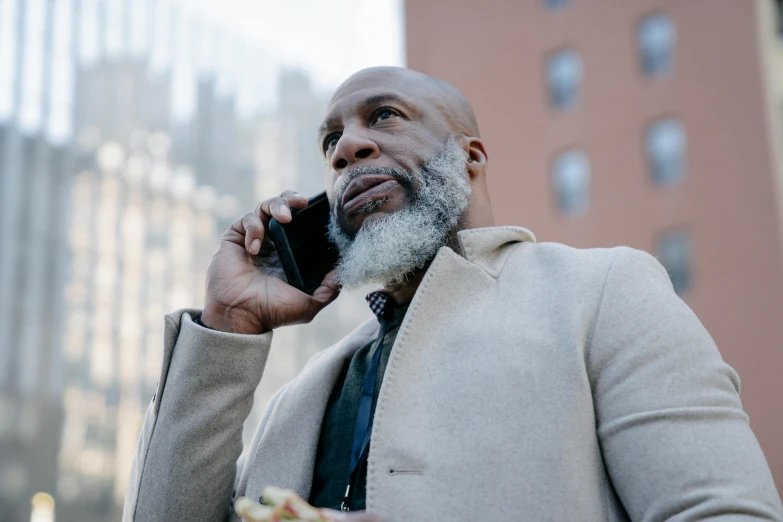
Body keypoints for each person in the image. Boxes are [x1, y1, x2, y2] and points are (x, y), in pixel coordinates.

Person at [123, 67, 783, 522]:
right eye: (331, 144)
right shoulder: (294, 402)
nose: (347, 147)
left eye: (384, 115)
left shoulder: (603, 291)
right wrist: (229, 324)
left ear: (470, 156)